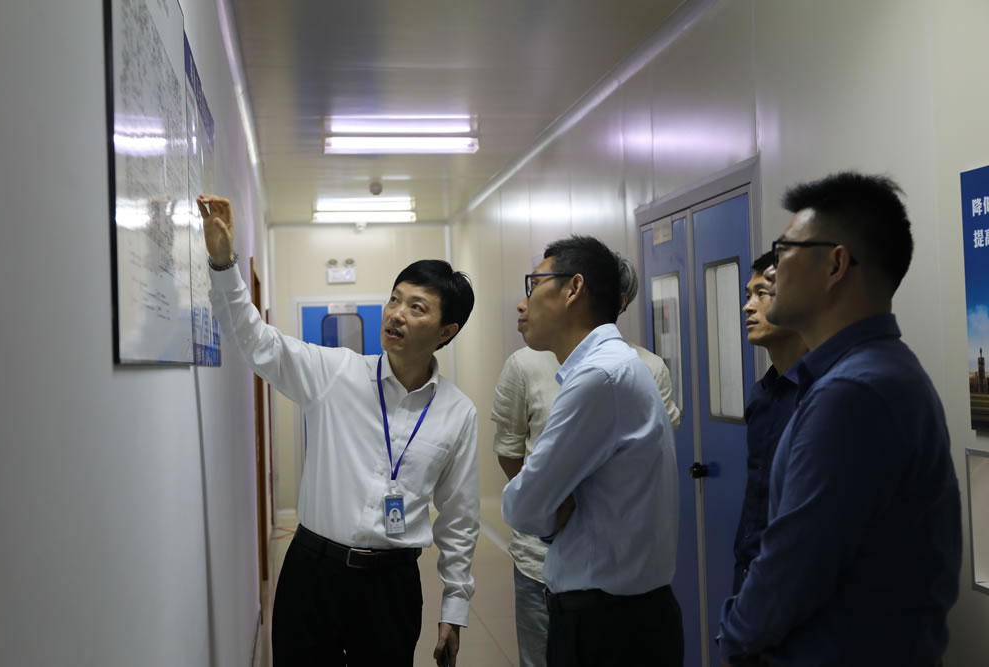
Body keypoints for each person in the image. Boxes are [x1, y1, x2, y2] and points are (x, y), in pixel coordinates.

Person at [197, 195, 479, 667]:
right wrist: (224, 266)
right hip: (313, 574)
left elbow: (460, 518)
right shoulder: (336, 373)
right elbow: (254, 341)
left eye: (416, 307)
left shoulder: (457, 413)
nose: (396, 313)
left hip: (392, 587)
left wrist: (455, 607)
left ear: (446, 331)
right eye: (394, 299)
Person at [717, 173, 961, 667]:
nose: (772, 272)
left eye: (785, 250)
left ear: (835, 264)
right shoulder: (870, 373)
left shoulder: (853, 393)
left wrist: (732, 639)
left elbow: (789, 571)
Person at [500, 235, 683, 666]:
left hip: (607, 627)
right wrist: (550, 506)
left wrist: (544, 506)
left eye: (534, 285)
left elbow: (521, 507)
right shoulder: (615, 366)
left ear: (573, 288)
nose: (522, 304)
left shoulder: (600, 377)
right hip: (622, 616)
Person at [732, 252, 807, 594]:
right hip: (752, 575)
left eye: (761, 294)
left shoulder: (824, 397)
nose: (748, 307)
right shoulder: (761, 395)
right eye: (748, 295)